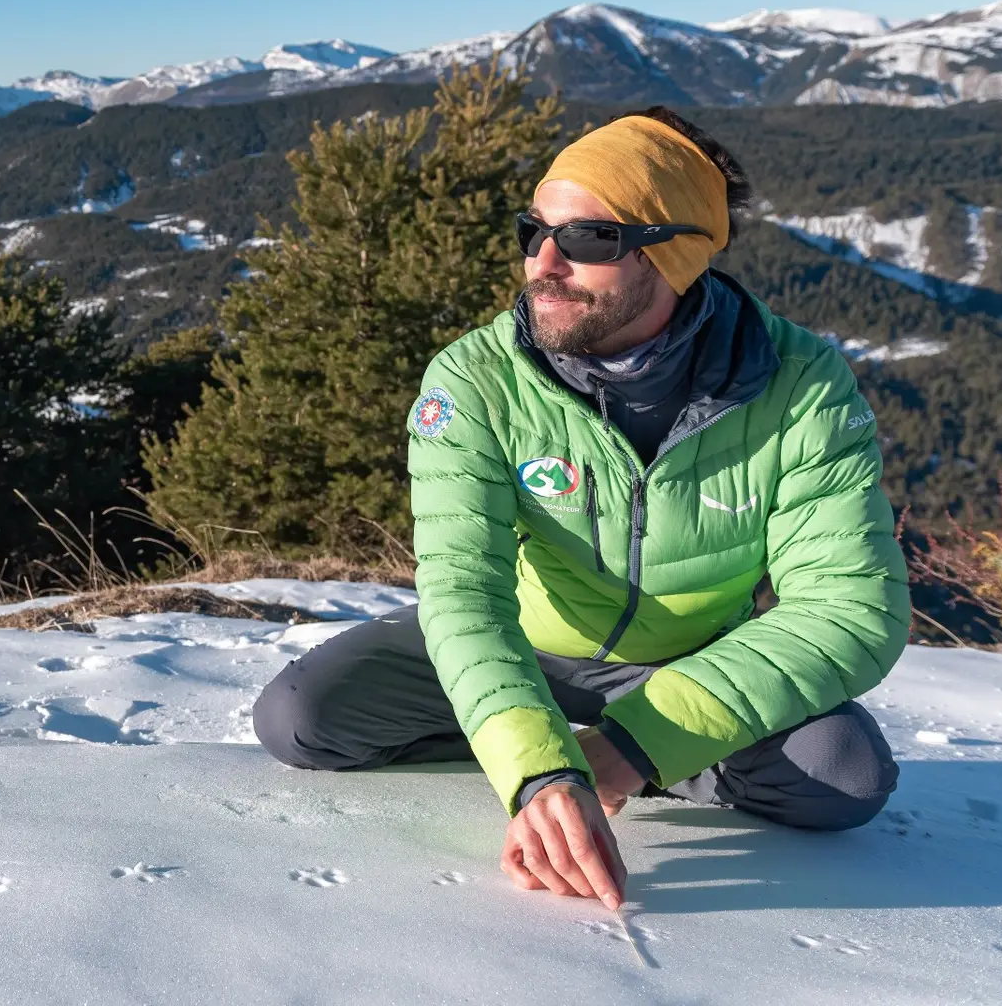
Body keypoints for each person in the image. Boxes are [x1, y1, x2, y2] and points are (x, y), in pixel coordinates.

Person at [251, 107, 908, 910]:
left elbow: (849, 610)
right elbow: (462, 590)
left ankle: (607, 750)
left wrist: (633, 745)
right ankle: (529, 735)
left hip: (684, 665)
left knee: (842, 778)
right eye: (533, 231)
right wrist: (537, 770)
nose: (544, 261)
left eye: (591, 238)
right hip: (525, 643)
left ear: (673, 254)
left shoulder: (797, 385)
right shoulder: (477, 379)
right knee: (301, 718)